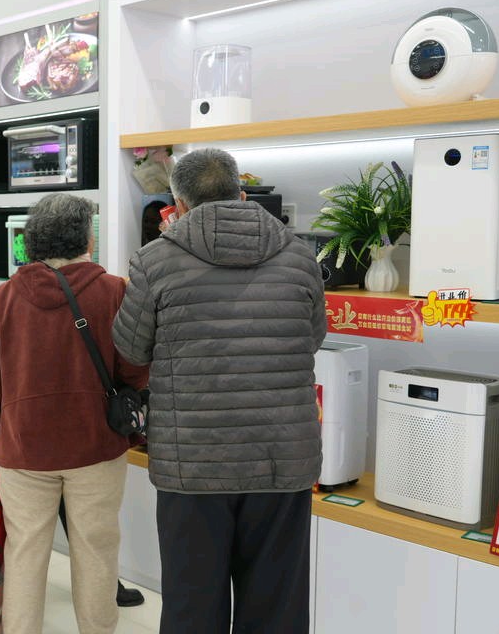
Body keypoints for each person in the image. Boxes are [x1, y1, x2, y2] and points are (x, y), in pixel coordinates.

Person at [112, 148, 327, 633]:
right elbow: (312, 337)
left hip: (193, 463)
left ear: (178, 205)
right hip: (282, 459)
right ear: (243, 194)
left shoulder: (154, 261)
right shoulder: (300, 256)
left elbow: (131, 348)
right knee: (277, 609)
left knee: (193, 608)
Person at [0, 194, 149, 634]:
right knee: (96, 550)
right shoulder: (114, 291)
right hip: (96, 446)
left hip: (23, 448)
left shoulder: (4, 297)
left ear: (32, 241)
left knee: (25, 551)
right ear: (87, 239)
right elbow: (133, 371)